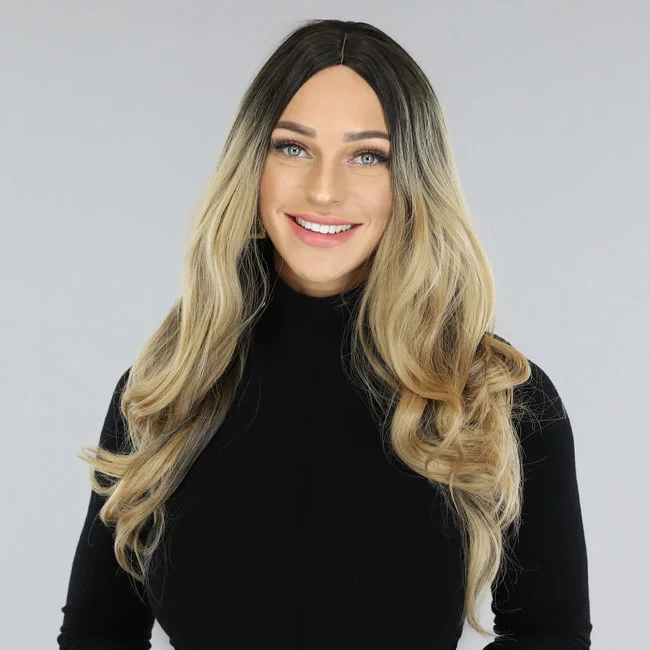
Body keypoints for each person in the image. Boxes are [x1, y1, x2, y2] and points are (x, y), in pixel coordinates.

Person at [57, 18, 592, 649]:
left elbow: (549, 636)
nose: (324, 190)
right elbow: (97, 634)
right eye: (293, 148)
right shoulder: (165, 392)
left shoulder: (496, 399)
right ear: (252, 165)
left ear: (412, 179)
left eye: (367, 155)